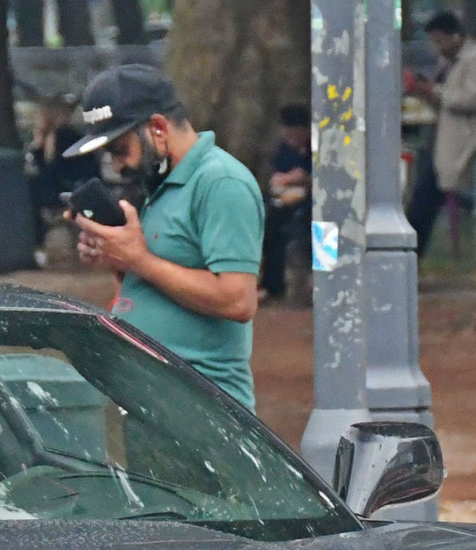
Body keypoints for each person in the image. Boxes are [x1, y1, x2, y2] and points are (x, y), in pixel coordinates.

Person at [66, 65, 266, 408]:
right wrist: (114, 257)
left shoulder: (221, 183)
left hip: (203, 405)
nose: (116, 165)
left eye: (119, 149)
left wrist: (138, 260)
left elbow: (238, 300)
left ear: (158, 128)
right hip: (151, 398)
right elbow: (156, 279)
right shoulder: (157, 183)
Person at [404, 10, 476, 258]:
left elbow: (472, 99)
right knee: (420, 204)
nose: (437, 48)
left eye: (439, 40)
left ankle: (413, 256)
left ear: (456, 36)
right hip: (442, 143)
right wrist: (426, 93)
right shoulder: (449, 63)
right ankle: (411, 257)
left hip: (463, 144)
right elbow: (445, 103)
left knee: (423, 203)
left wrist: (435, 90)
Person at [263, 104, 313, 300]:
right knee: (273, 226)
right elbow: (277, 177)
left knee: (322, 227)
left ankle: (326, 279)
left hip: (315, 203)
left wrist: (304, 180)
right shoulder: (284, 149)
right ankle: (272, 285)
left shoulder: (315, 148)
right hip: (288, 201)